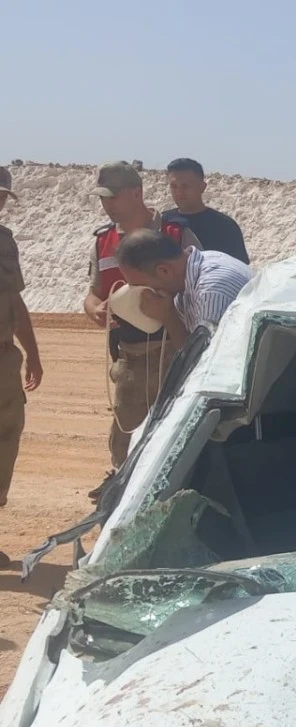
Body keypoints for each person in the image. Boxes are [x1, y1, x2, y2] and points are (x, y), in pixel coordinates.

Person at [83, 161, 201, 503]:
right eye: (102, 197)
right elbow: (92, 294)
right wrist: (96, 309)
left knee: (178, 434)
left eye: (113, 196)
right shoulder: (103, 242)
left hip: (174, 350)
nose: (107, 204)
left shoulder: (177, 234)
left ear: (137, 193)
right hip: (130, 358)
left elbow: (198, 285)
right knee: (127, 437)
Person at [116, 230, 253, 349]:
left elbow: (202, 362)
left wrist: (168, 317)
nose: (141, 292)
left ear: (164, 271)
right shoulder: (197, 265)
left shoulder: (211, 292)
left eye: (139, 286)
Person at [0, 167, 42, 532]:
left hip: (3, 359)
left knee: (5, 441)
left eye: (2, 196)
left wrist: (33, 354)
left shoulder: (4, 241)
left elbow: (13, 301)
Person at [164, 158, 250, 264]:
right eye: (174, 186)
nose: (179, 192)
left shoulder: (224, 226)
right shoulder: (163, 223)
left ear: (202, 187)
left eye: (185, 186)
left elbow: (239, 268)